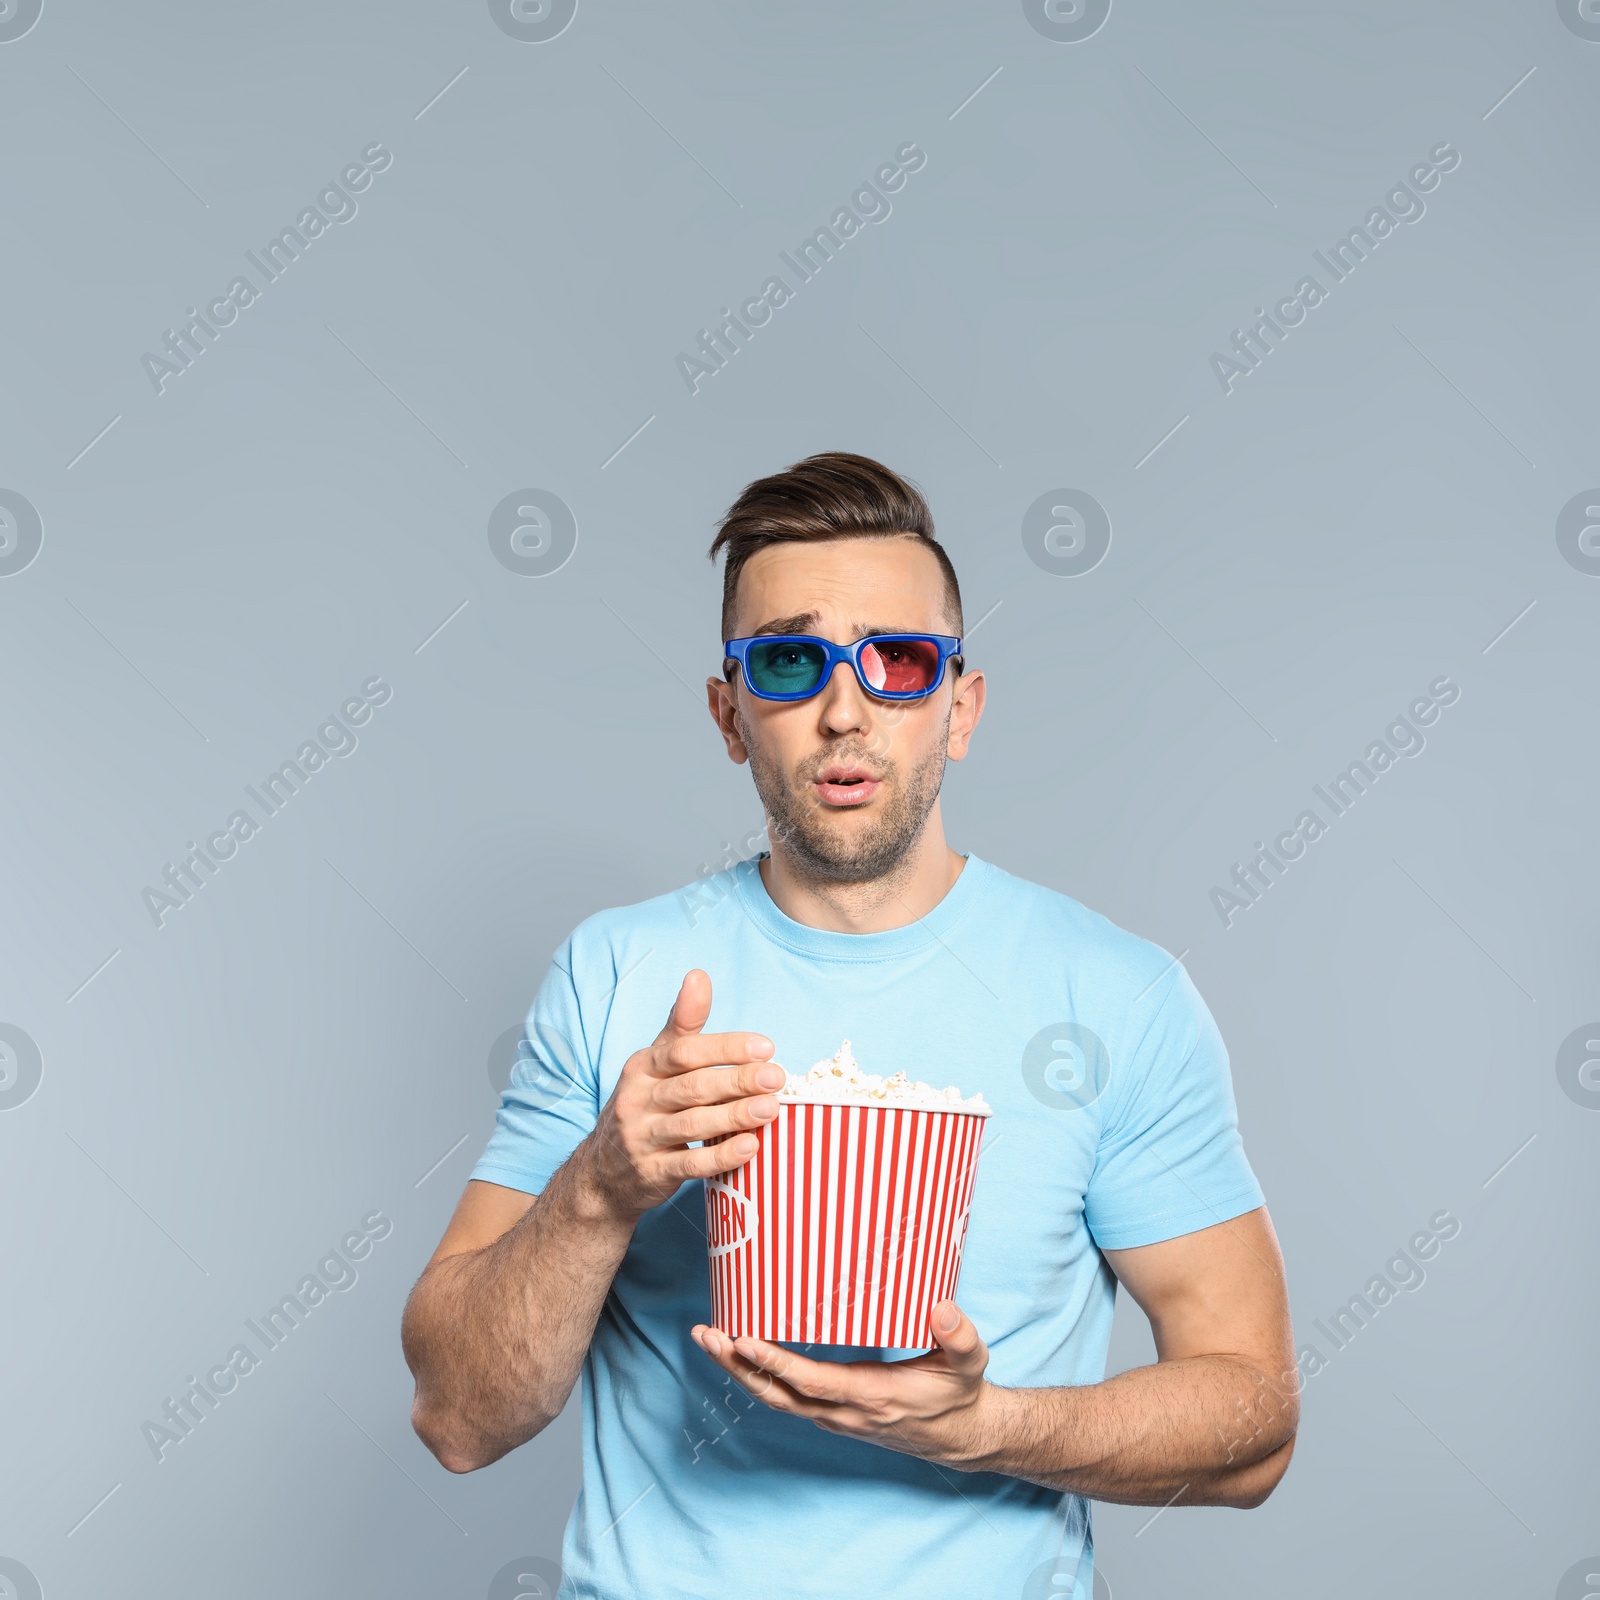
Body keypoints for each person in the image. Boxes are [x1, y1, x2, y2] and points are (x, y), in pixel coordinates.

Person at [401, 451, 1298, 1600]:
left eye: (900, 660)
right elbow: (458, 1417)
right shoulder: (616, 973)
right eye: (788, 659)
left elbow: (1254, 1422)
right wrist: (601, 1187)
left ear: (959, 707)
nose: (844, 709)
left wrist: (985, 1426)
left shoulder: (1115, 995)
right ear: (730, 713)